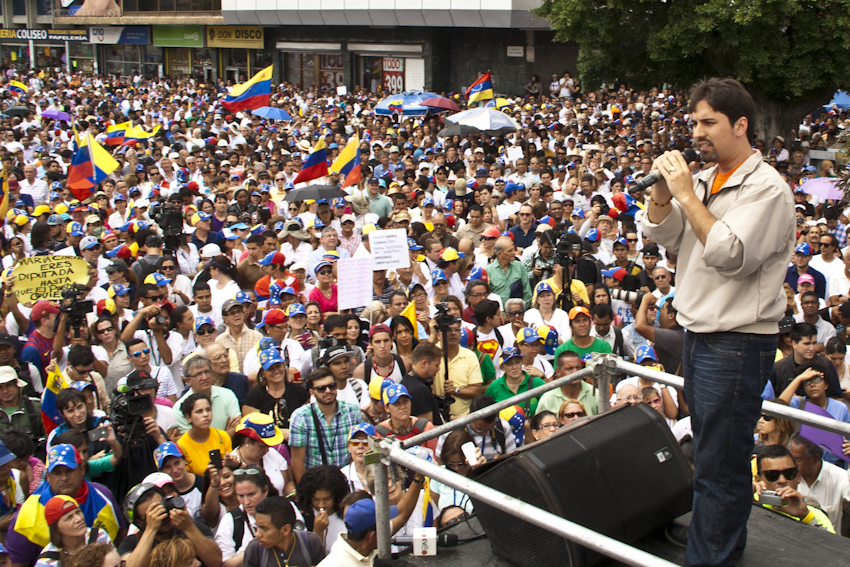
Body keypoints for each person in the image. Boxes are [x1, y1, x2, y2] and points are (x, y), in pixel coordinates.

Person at [644, 81, 795, 567]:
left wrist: (688, 195)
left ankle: (712, 559)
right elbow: (665, 236)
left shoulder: (767, 188)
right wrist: (665, 195)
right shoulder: (705, 179)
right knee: (710, 454)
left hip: (735, 343)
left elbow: (731, 254)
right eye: (693, 123)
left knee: (721, 464)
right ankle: (718, 548)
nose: (698, 132)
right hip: (700, 336)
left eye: (708, 122)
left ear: (740, 124)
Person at [7, 443, 125, 567]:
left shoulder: (103, 495)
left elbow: (121, 540)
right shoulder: (27, 514)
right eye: (57, 473)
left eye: (69, 471)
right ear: (48, 476)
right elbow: (17, 563)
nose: (64, 478)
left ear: (82, 469)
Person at [118, 482, 220, 567]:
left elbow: (216, 561)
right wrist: (150, 530)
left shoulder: (191, 526)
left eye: (162, 507)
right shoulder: (132, 542)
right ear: (140, 522)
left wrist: (189, 528)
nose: (164, 515)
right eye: (154, 513)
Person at [288, 368, 362, 482]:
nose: (328, 391)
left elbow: (358, 450)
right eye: (321, 388)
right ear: (312, 392)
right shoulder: (301, 416)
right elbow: (297, 462)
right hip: (315, 483)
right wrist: (304, 492)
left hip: (347, 480)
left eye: (331, 386)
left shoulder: (352, 412)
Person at [753, 444, 834, 533]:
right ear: (758, 479)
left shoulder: (815, 515)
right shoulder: (747, 502)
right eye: (772, 475)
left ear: (798, 476)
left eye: (789, 473)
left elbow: (833, 546)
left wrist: (807, 517)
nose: (782, 480)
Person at [788, 434, 850, 534]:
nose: (792, 464)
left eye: (798, 460)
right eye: (791, 458)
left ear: (816, 458)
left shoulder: (839, 477)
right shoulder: (786, 474)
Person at [243, 495, 326, 567]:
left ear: (285, 530)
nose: (257, 534)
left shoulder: (310, 542)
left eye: (264, 528)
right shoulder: (255, 549)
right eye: (257, 527)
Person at [242, 346, 309, 435]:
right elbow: (252, 428)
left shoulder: (298, 390)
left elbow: (309, 419)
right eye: (270, 369)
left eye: (278, 366)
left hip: (297, 438)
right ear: (263, 373)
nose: (276, 371)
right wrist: (280, 432)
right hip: (267, 443)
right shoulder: (255, 395)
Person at [34, 495, 114, 567]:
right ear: (56, 528)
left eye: (78, 512)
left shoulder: (99, 536)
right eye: (69, 518)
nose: (78, 519)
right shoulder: (48, 561)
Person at [316, 498, 398, 567]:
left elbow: (402, 515)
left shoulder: (365, 550)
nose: (386, 531)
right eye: (383, 527)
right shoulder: (333, 563)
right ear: (371, 536)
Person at [229, 413, 295, 497]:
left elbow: (287, 482)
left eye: (268, 446)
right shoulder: (231, 462)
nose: (267, 450)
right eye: (262, 446)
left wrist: (292, 492)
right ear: (247, 441)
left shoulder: (273, 453)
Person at [174, 356, 241, 435]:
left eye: (207, 372)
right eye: (198, 374)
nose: (204, 377)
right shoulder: (179, 408)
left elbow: (237, 427)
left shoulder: (227, 394)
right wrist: (225, 434)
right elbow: (193, 441)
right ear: (187, 381)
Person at [296, 464, 350, 554]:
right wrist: (318, 531)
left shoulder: (346, 515)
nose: (321, 505)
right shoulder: (303, 517)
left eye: (327, 499)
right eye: (316, 499)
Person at [177, 393, 233, 476]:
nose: (206, 414)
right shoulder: (182, 446)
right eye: (199, 411)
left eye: (208, 410)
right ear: (188, 417)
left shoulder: (222, 436)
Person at [535, 350, 599, 416]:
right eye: (569, 369)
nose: (575, 372)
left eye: (578, 368)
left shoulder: (595, 393)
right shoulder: (547, 399)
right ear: (558, 372)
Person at [485, 347, 546, 416]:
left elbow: (550, 401)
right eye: (509, 364)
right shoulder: (494, 386)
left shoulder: (536, 382)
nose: (514, 367)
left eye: (517, 362)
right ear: (502, 367)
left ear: (522, 362)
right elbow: (485, 411)